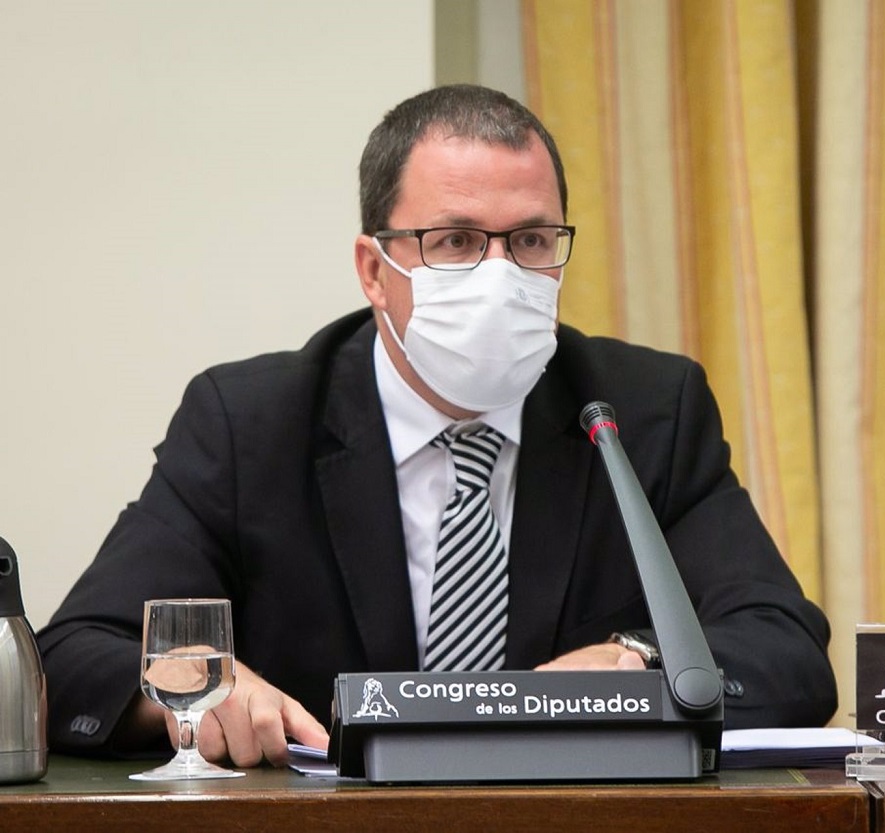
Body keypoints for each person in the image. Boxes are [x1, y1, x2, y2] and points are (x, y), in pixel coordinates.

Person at [37, 84, 837, 767]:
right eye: (455, 241)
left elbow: (785, 650)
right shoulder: (250, 423)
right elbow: (72, 655)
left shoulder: (644, 410)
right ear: (373, 270)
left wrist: (637, 661)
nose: (500, 276)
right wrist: (194, 689)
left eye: (531, 240)